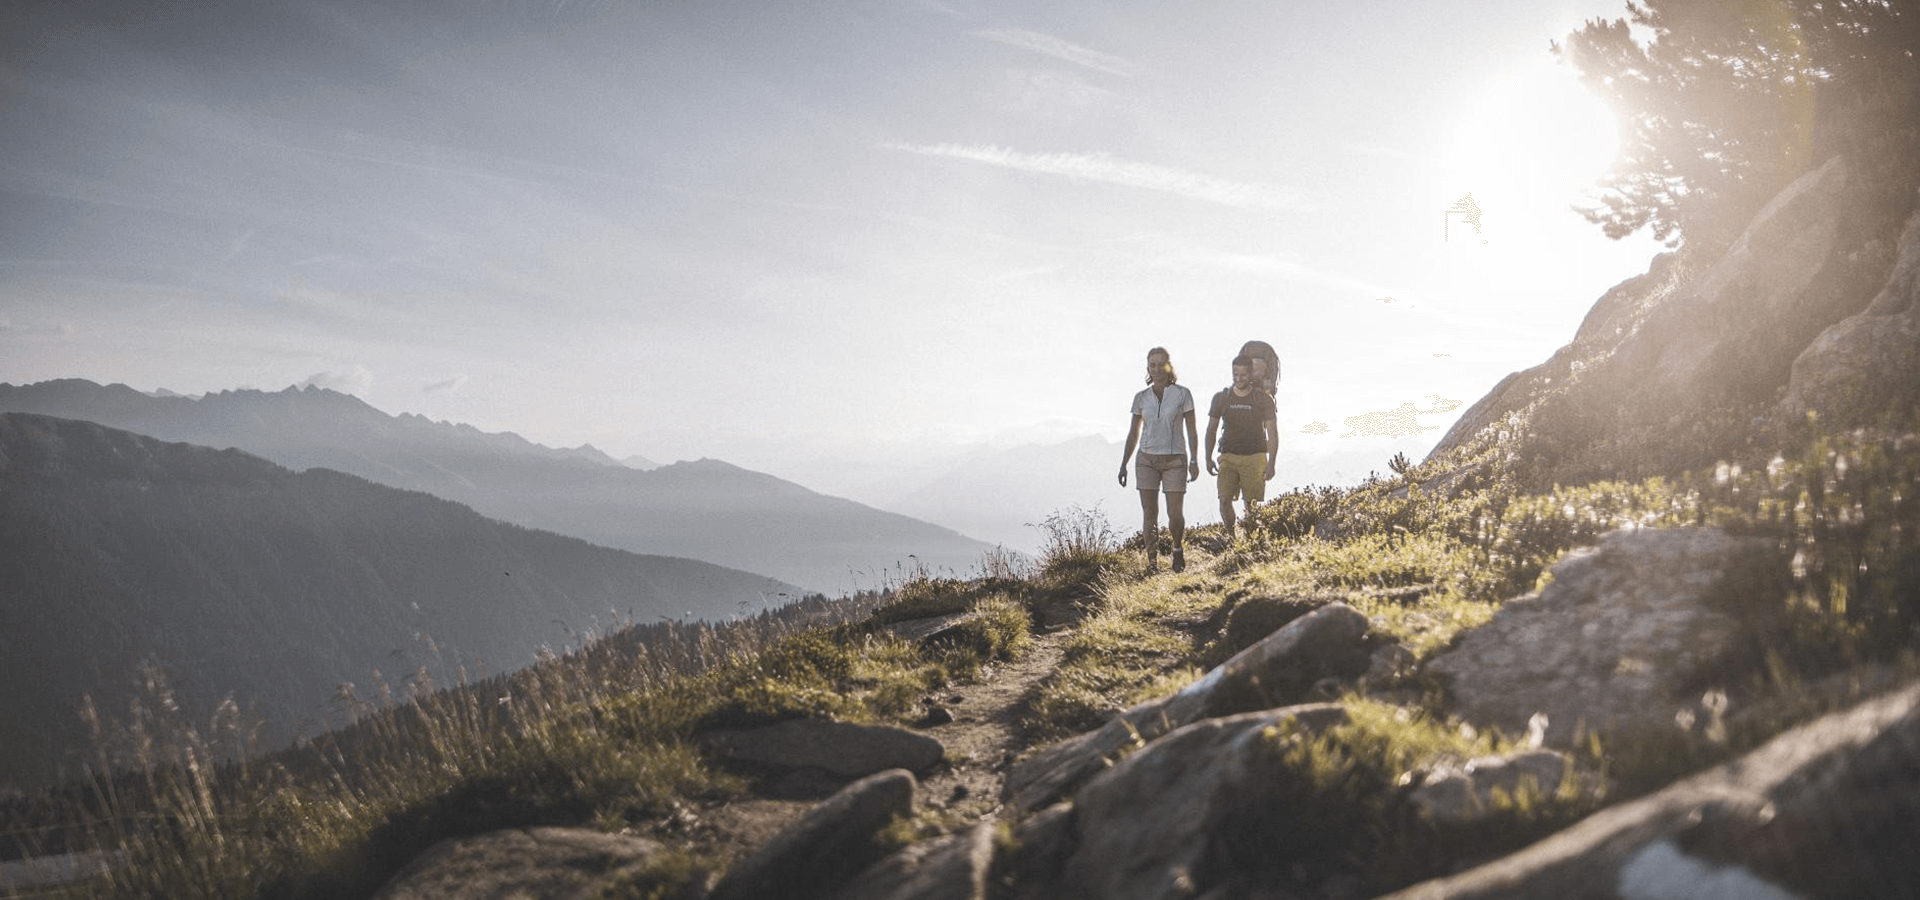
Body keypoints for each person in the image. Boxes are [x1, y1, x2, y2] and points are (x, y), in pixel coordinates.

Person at [1118, 346, 1198, 573]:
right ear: (1147, 368)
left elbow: (1192, 430)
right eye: (1152, 365)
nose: (1157, 369)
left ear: (1169, 366)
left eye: (1161, 364)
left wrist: (1194, 460)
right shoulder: (1141, 398)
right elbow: (1133, 433)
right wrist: (1124, 463)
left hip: (1175, 460)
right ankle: (1152, 562)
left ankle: (1177, 549)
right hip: (1146, 460)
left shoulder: (1183, 394)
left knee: (1175, 514)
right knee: (1149, 513)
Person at [1205, 355, 1278, 540]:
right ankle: (1231, 539)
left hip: (1255, 457)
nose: (1238, 379)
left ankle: (1252, 540)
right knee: (1224, 500)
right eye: (1235, 374)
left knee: (1251, 505)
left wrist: (1272, 463)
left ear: (1251, 374)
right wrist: (1207, 457)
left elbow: (1273, 433)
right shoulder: (1221, 398)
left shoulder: (1263, 399)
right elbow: (1211, 430)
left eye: (1243, 375)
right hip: (1228, 456)